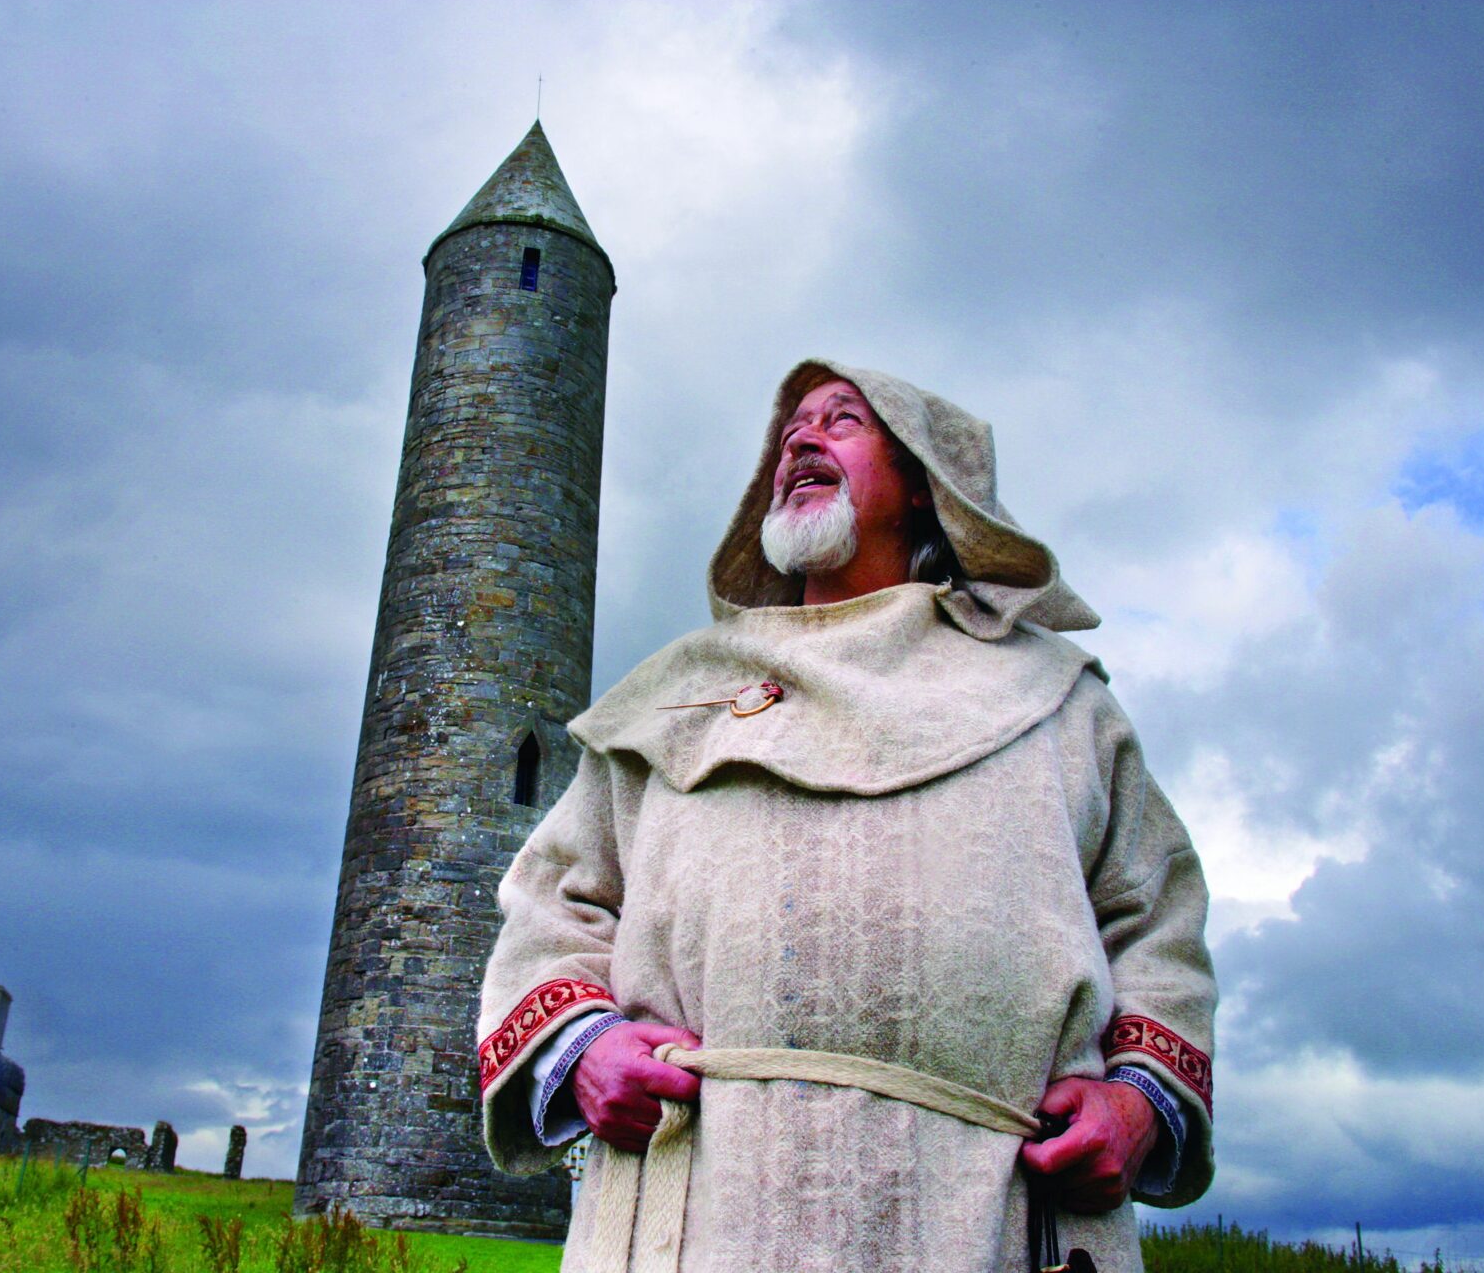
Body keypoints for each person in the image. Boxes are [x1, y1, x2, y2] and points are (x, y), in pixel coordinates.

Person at [478, 360, 1217, 1272]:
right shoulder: (678, 698)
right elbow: (552, 901)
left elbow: (1159, 924)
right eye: (791, 428)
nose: (799, 438)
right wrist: (583, 1045)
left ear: (921, 485)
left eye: (843, 420)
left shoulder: (1058, 702)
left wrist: (1140, 1101)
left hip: (994, 1215)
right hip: (694, 1210)